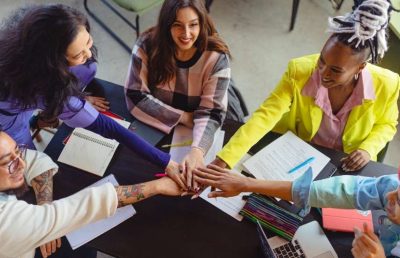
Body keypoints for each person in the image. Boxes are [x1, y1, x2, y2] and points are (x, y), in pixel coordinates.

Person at [0, 4, 186, 189]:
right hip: (7, 120)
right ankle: (37, 123)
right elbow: (108, 127)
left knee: (88, 68)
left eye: (88, 42)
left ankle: (46, 116)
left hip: (30, 94)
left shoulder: (28, 33)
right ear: (55, 64)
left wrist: (75, 101)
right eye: (78, 54)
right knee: (28, 168)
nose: (88, 54)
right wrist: (166, 162)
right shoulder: (43, 86)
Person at [212, 0, 399, 173]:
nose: (323, 73)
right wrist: (224, 160)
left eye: (335, 70)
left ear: (361, 67)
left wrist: (368, 149)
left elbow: (387, 124)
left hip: (345, 166)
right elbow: (264, 116)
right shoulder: (299, 71)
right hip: (298, 156)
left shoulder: (388, 84)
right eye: (322, 60)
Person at [0, 129, 186, 258]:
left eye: (18, 152)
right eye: (8, 162)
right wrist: (158, 186)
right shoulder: (6, 223)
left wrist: (45, 206)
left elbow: (35, 159)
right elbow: (84, 206)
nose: (21, 165)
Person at [124, 0, 231, 189]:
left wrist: (197, 151)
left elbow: (212, 113)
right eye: (177, 25)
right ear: (166, 25)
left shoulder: (216, 57)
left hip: (195, 122)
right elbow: (134, 95)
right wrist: (183, 116)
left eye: (193, 24)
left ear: (202, 22)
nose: (187, 34)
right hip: (167, 123)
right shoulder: (147, 44)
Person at [193, 164, 400, 257]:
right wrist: (247, 184)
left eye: (398, 200)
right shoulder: (392, 187)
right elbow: (344, 192)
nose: (389, 196)